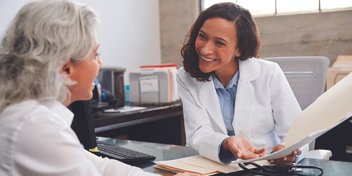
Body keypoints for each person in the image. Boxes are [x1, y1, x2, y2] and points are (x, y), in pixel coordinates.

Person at [0, 0, 198, 176]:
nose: (100, 63)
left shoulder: (31, 114)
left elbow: (98, 166)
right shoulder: (36, 127)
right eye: (95, 54)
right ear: (66, 69)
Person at [177, 2, 304, 166]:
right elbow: (198, 133)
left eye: (219, 43)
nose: (205, 50)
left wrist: (287, 151)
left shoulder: (269, 73)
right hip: (216, 166)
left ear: (239, 49)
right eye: (202, 36)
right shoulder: (185, 77)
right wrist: (225, 142)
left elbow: (296, 131)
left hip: (267, 165)